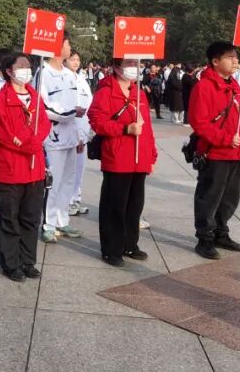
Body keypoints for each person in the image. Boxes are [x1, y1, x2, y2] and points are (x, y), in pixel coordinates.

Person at [88, 56, 156, 267]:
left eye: (136, 64)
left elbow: (147, 128)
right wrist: (124, 129)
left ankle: (130, 244)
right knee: (114, 206)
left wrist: (151, 155)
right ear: (117, 68)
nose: (134, 68)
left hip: (139, 158)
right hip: (117, 156)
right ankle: (111, 249)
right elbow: (97, 122)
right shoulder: (105, 92)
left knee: (135, 205)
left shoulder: (139, 93)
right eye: (129, 64)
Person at [0, 52, 51, 282]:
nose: (27, 70)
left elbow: (44, 124)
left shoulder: (35, 97)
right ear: (9, 71)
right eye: (21, 66)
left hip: (34, 168)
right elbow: (4, 134)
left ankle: (27, 261)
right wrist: (30, 144)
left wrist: (33, 142)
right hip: (11, 168)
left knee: (31, 217)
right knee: (9, 218)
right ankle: (11, 263)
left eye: (29, 65)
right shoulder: (1, 99)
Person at [188, 42, 240, 260]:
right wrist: (225, 139)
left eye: (236, 57)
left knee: (230, 197)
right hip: (215, 152)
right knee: (209, 197)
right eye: (230, 57)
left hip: (235, 152)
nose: (235, 61)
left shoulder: (234, 85)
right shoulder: (204, 87)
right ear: (215, 61)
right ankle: (204, 238)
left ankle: (221, 233)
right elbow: (199, 122)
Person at [35, 34, 84, 243]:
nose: (70, 48)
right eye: (67, 45)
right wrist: (71, 113)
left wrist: (80, 135)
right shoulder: (43, 72)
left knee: (68, 181)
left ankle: (62, 220)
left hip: (71, 136)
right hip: (53, 138)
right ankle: (48, 224)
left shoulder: (70, 74)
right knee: (53, 182)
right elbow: (43, 106)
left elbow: (76, 104)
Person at [65, 50, 92, 216]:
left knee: (79, 170)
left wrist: (85, 134)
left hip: (83, 133)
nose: (75, 62)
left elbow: (89, 105)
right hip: (69, 133)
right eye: (72, 59)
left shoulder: (82, 80)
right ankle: (67, 202)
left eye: (77, 59)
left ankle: (76, 198)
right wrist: (76, 136)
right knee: (68, 171)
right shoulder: (63, 79)